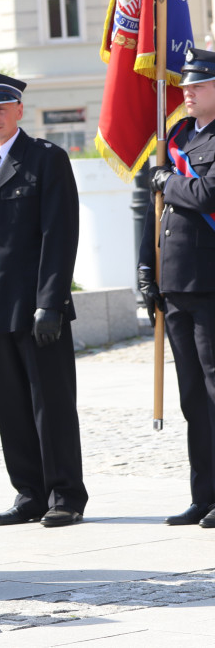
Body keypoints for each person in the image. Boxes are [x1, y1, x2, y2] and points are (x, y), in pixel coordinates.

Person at [0, 72, 88, 528]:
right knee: (11, 407)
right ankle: (29, 492)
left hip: (37, 306)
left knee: (50, 405)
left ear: (18, 110)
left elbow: (60, 235)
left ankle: (65, 494)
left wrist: (50, 302)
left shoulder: (46, 159)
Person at [139, 47, 215, 529]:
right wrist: (147, 271)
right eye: (185, 85)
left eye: (198, 84)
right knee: (192, 397)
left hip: (209, 284)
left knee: (214, 390)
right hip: (176, 285)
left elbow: (207, 194)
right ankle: (203, 495)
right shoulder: (177, 138)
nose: (186, 91)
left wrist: (168, 179)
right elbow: (156, 214)